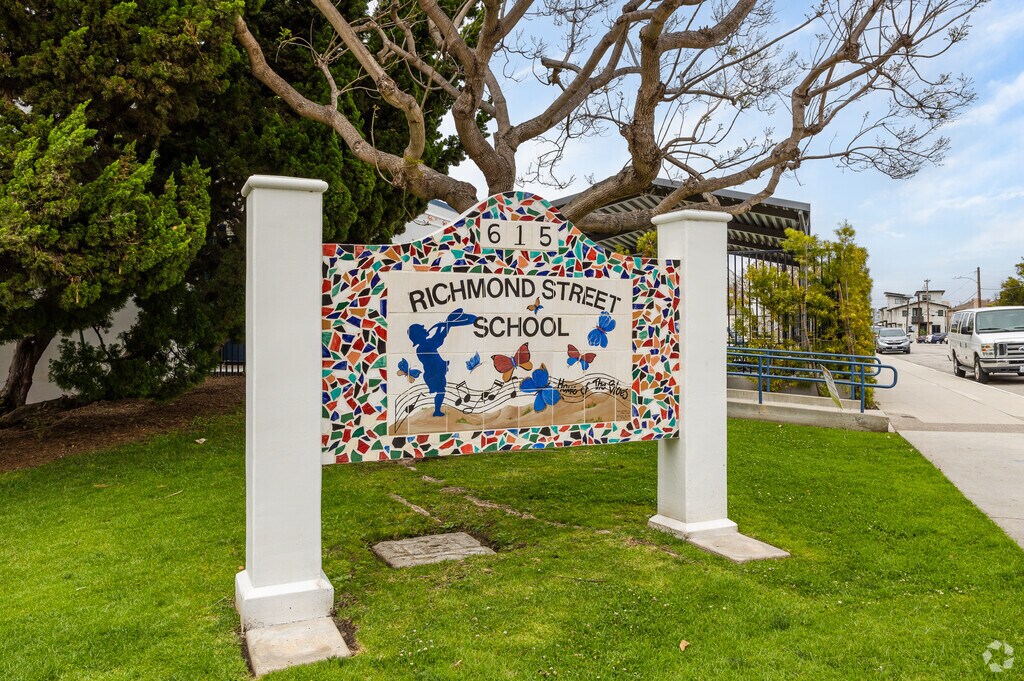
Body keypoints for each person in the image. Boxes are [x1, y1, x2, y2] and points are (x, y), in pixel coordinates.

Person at [407, 308, 477, 417]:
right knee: (441, 391)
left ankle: (437, 410)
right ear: (419, 335)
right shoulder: (422, 347)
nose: (425, 330)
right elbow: (437, 340)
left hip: (436, 372)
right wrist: (444, 328)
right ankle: (437, 411)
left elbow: (437, 339)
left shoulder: (424, 345)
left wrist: (442, 328)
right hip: (433, 374)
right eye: (422, 330)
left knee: (441, 391)